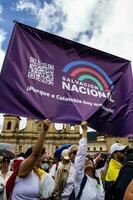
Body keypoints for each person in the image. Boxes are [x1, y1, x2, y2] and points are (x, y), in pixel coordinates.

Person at [6, 119, 52, 200]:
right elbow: (35, 155)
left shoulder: (38, 173)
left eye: (42, 154)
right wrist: (44, 130)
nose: (41, 157)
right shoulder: (23, 168)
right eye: (40, 154)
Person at [63, 121, 105, 200]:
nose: (87, 160)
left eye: (90, 158)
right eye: (85, 159)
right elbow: (80, 156)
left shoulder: (98, 180)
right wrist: (85, 131)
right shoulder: (79, 178)